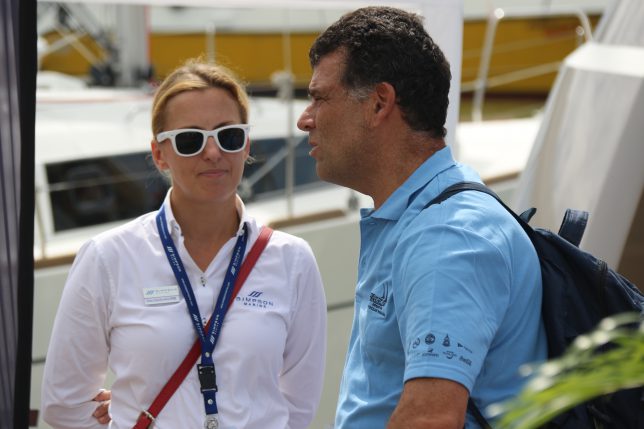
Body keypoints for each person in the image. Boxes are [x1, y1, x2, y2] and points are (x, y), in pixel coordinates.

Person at [297, 6, 547, 429]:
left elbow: (431, 418)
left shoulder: (448, 235)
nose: (305, 120)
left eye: (320, 98)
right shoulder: (426, 217)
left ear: (379, 103)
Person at [41, 60, 327, 429]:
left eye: (228, 136)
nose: (213, 152)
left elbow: (298, 407)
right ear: (159, 154)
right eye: (190, 140)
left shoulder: (292, 260)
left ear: (245, 146)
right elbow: (64, 404)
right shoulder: (107, 258)